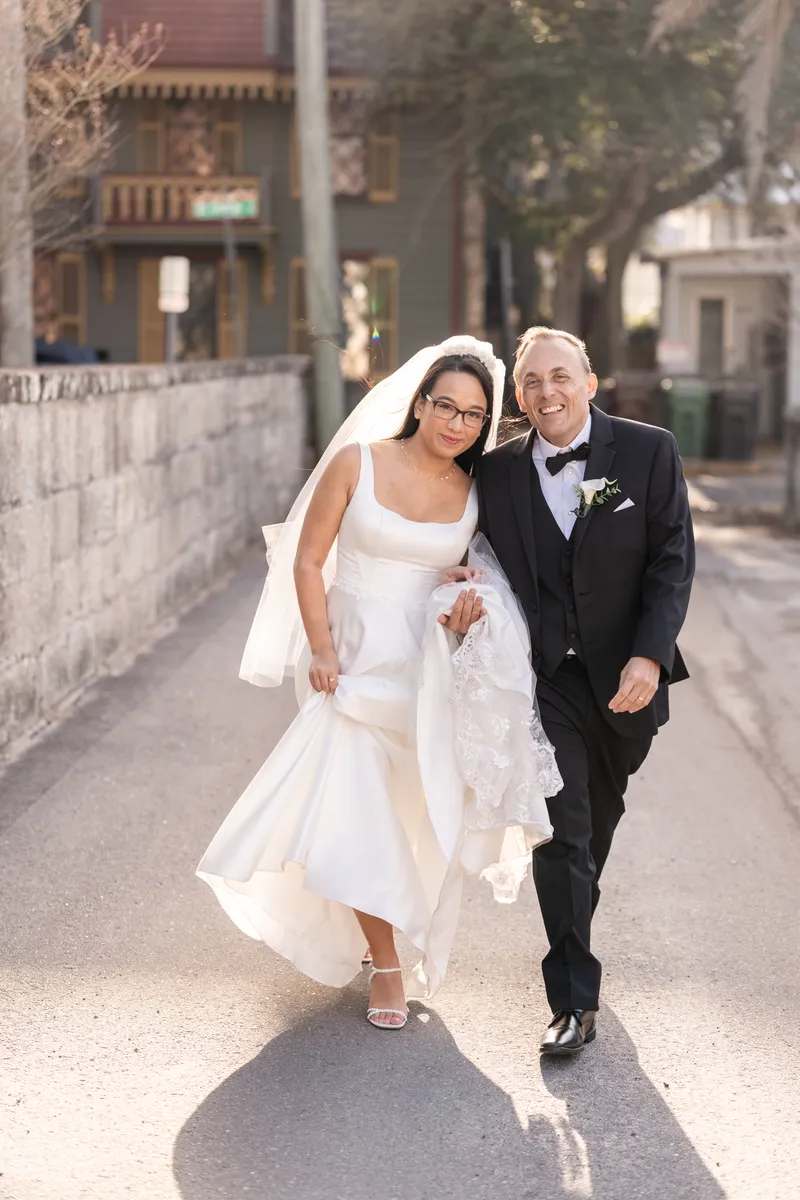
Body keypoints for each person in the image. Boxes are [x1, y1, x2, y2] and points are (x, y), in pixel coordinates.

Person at [197, 337, 560, 1030]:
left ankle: (375, 929)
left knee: (410, 815)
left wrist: (467, 600)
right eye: (446, 406)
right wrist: (324, 651)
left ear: (485, 426)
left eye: (474, 416)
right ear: (420, 403)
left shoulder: (475, 493)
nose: (457, 424)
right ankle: (389, 964)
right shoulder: (356, 464)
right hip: (353, 665)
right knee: (359, 809)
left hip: (425, 673)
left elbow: (480, 577)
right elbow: (308, 561)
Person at [475, 326, 695, 1055]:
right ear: (519, 394)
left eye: (560, 377)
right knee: (562, 833)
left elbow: (671, 562)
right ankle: (573, 999)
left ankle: (575, 933)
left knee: (596, 828)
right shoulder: (497, 471)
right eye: (532, 381)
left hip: (627, 680)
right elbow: (464, 544)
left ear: (589, 382)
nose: (548, 393)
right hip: (544, 680)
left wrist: (649, 658)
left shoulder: (647, 451)